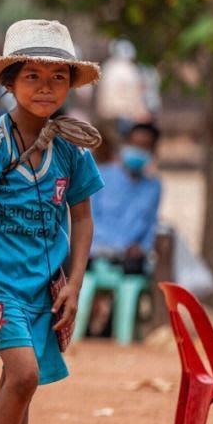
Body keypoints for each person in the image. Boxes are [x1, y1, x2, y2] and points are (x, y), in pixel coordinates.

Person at [0, 19, 103, 424]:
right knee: (23, 376)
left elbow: (82, 218)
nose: (46, 88)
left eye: (58, 77)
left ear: (71, 85)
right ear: (10, 82)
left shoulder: (70, 148)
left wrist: (75, 285)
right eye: (33, 76)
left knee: (18, 388)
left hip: (44, 288)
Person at [83, 122, 162, 336]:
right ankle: (85, 327)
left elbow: (150, 225)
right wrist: (106, 245)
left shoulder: (154, 186)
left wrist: (142, 247)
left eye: (145, 146)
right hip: (95, 250)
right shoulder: (101, 176)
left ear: (153, 151)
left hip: (129, 257)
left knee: (133, 276)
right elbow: (88, 217)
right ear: (125, 144)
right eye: (135, 144)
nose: (139, 150)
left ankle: (118, 330)